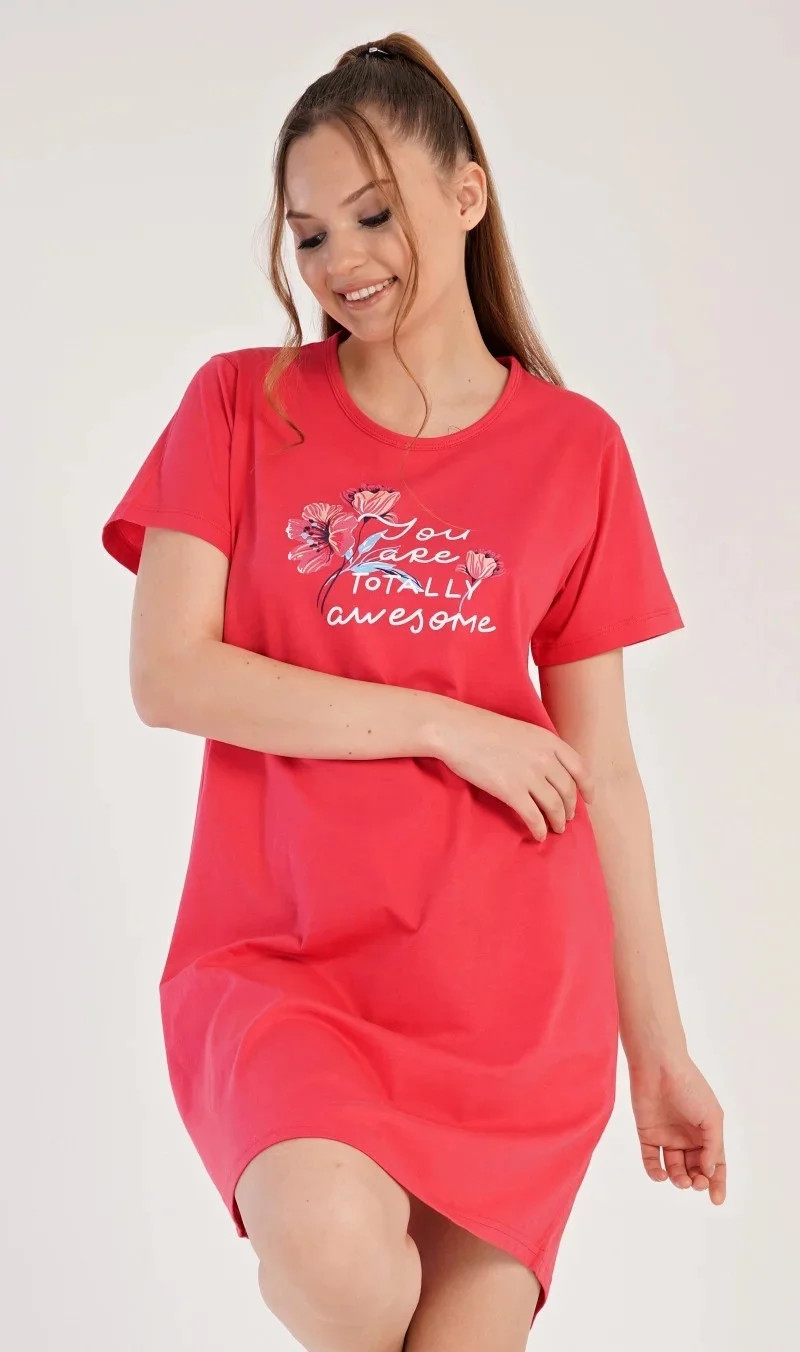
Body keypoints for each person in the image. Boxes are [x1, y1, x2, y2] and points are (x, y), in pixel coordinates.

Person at [101, 31, 726, 1352]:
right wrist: (446, 724)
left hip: (509, 999)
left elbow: (605, 770)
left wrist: (659, 1050)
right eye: (310, 233)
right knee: (341, 1268)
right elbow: (169, 673)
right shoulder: (240, 407)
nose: (343, 261)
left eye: (374, 215)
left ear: (466, 193)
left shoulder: (575, 449)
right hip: (284, 963)